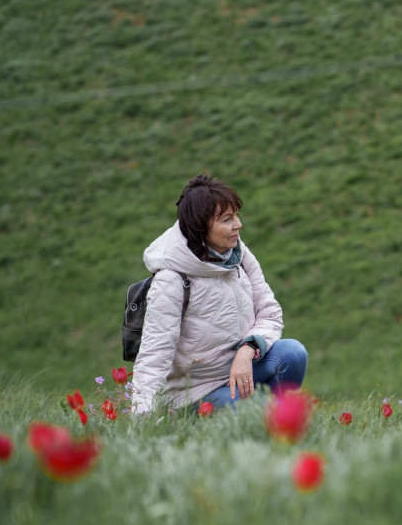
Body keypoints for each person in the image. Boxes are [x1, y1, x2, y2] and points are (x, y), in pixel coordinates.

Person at [130, 174, 306, 415]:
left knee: (293, 353)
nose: (238, 225)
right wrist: (143, 421)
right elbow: (154, 357)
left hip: (240, 370)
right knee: (261, 412)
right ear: (201, 228)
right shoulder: (171, 280)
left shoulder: (239, 254)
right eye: (227, 219)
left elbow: (270, 313)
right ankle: (264, 417)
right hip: (194, 392)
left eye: (236, 215)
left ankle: (278, 421)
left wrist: (248, 348)